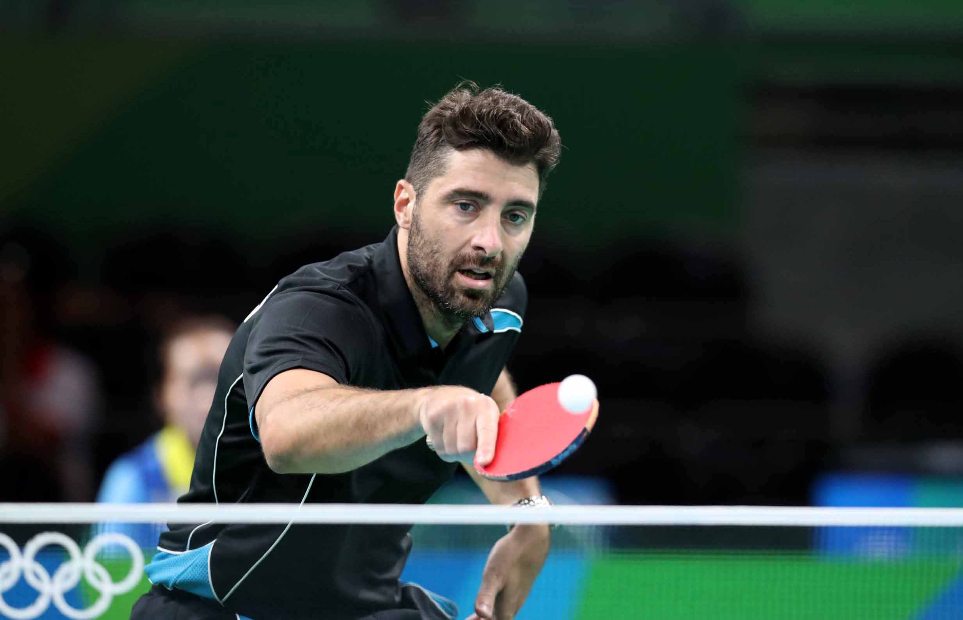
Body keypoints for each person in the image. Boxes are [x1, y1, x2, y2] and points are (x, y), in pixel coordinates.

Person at [134, 82, 562, 620]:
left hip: (364, 606)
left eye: (515, 216)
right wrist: (425, 405)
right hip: (224, 605)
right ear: (405, 204)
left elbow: (482, 375)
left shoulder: (496, 300)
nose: (490, 242)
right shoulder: (317, 309)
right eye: (465, 205)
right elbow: (287, 433)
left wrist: (525, 510)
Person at [96, 315, 234, 546]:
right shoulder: (132, 479)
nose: (206, 398)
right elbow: (108, 566)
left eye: (220, 378)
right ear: (161, 395)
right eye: (193, 381)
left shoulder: (274, 469)